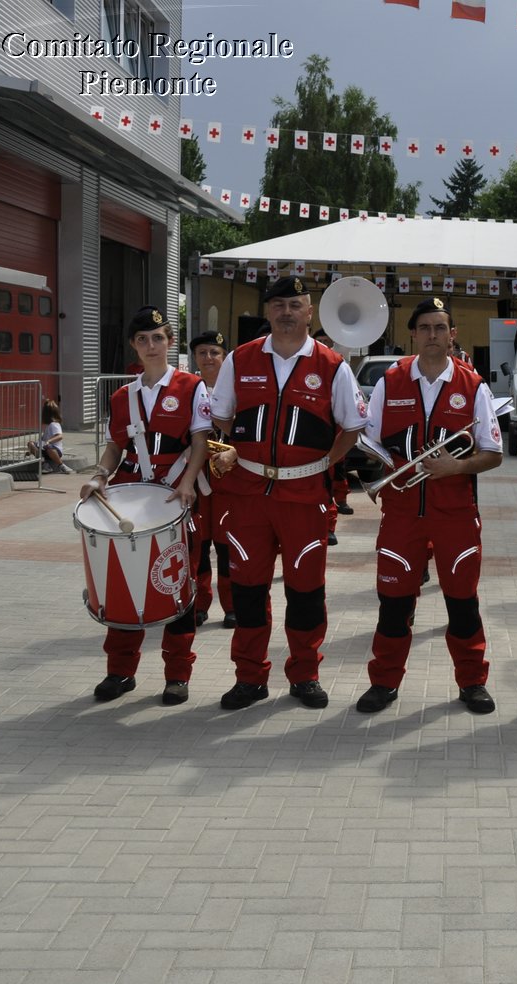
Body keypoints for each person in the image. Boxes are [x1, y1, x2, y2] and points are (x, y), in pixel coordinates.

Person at [209, 276, 367, 712]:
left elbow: (353, 426)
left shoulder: (332, 365)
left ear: (310, 311)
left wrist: (322, 464)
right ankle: (249, 678)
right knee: (247, 589)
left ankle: (305, 674)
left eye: (295, 304)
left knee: (305, 591)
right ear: (267, 312)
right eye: (278, 304)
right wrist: (237, 451)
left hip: (304, 497)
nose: (286, 312)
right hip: (248, 495)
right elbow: (220, 417)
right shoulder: (240, 360)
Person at [357, 297, 503, 715]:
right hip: (401, 511)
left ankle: (472, 682)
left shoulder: (473, 386)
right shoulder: (391, 379)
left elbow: (492, 453)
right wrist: (393, 465)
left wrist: (456, 466)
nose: (433, 335)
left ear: (452, 335)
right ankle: (383, 682)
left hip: (455, 513)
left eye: (441, 328)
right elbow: (369, 441)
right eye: (425, 328)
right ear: (414, 334)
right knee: (394, 603)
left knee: (462, 603)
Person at [80, 306, 211, 705]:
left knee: (177, 587)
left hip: (177, 497)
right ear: (134, 346)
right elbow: (115, 446)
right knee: (121, 585)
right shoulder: (124, 396)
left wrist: (189, 482)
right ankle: (120, 672)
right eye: (143, 340)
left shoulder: (192, 386)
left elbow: (201, 441)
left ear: (170, 342)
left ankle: (177, 675)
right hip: (132, 500)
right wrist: (98, 476)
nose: (151, 346)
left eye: (158, 338)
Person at [187, 331, 237, 627]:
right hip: (197, 481)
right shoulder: (186, 390)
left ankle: (231, 606)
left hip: (229, 483)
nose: (208, 358)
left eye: (214, 352)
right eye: (202, 352)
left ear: (224, 356)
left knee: (227, 546)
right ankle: (199, 603)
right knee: (198, 546)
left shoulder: (237, 390)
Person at [314, 329, 355, 523]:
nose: (322, 343)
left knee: (337, 469)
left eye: (325, 340)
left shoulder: (336, 363)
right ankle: (329, 518)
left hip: (336, 428)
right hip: (318, 429)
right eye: (319, 340)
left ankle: (341, 500)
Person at [29, 399, 72, 474]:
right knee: (31, 443)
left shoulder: (54, 424)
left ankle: (61, 465)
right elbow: (42, 441)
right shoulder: (48, 426)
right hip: (45, 449)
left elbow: (59, 436)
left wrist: (48, 441)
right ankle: (44, 464)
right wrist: (33, 448)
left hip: (55, 451)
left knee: (47, 447)